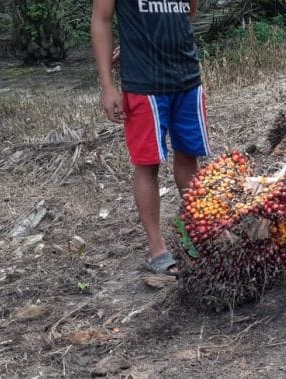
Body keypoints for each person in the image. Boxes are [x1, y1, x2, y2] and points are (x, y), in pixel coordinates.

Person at [91, 0, 208, 275]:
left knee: (188, 157)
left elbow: (188, 11)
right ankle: (158, 250)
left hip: (187, 77)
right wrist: (107, 86)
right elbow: (101, 19)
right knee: (147, 164)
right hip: (144, 84)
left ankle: (197, 232)